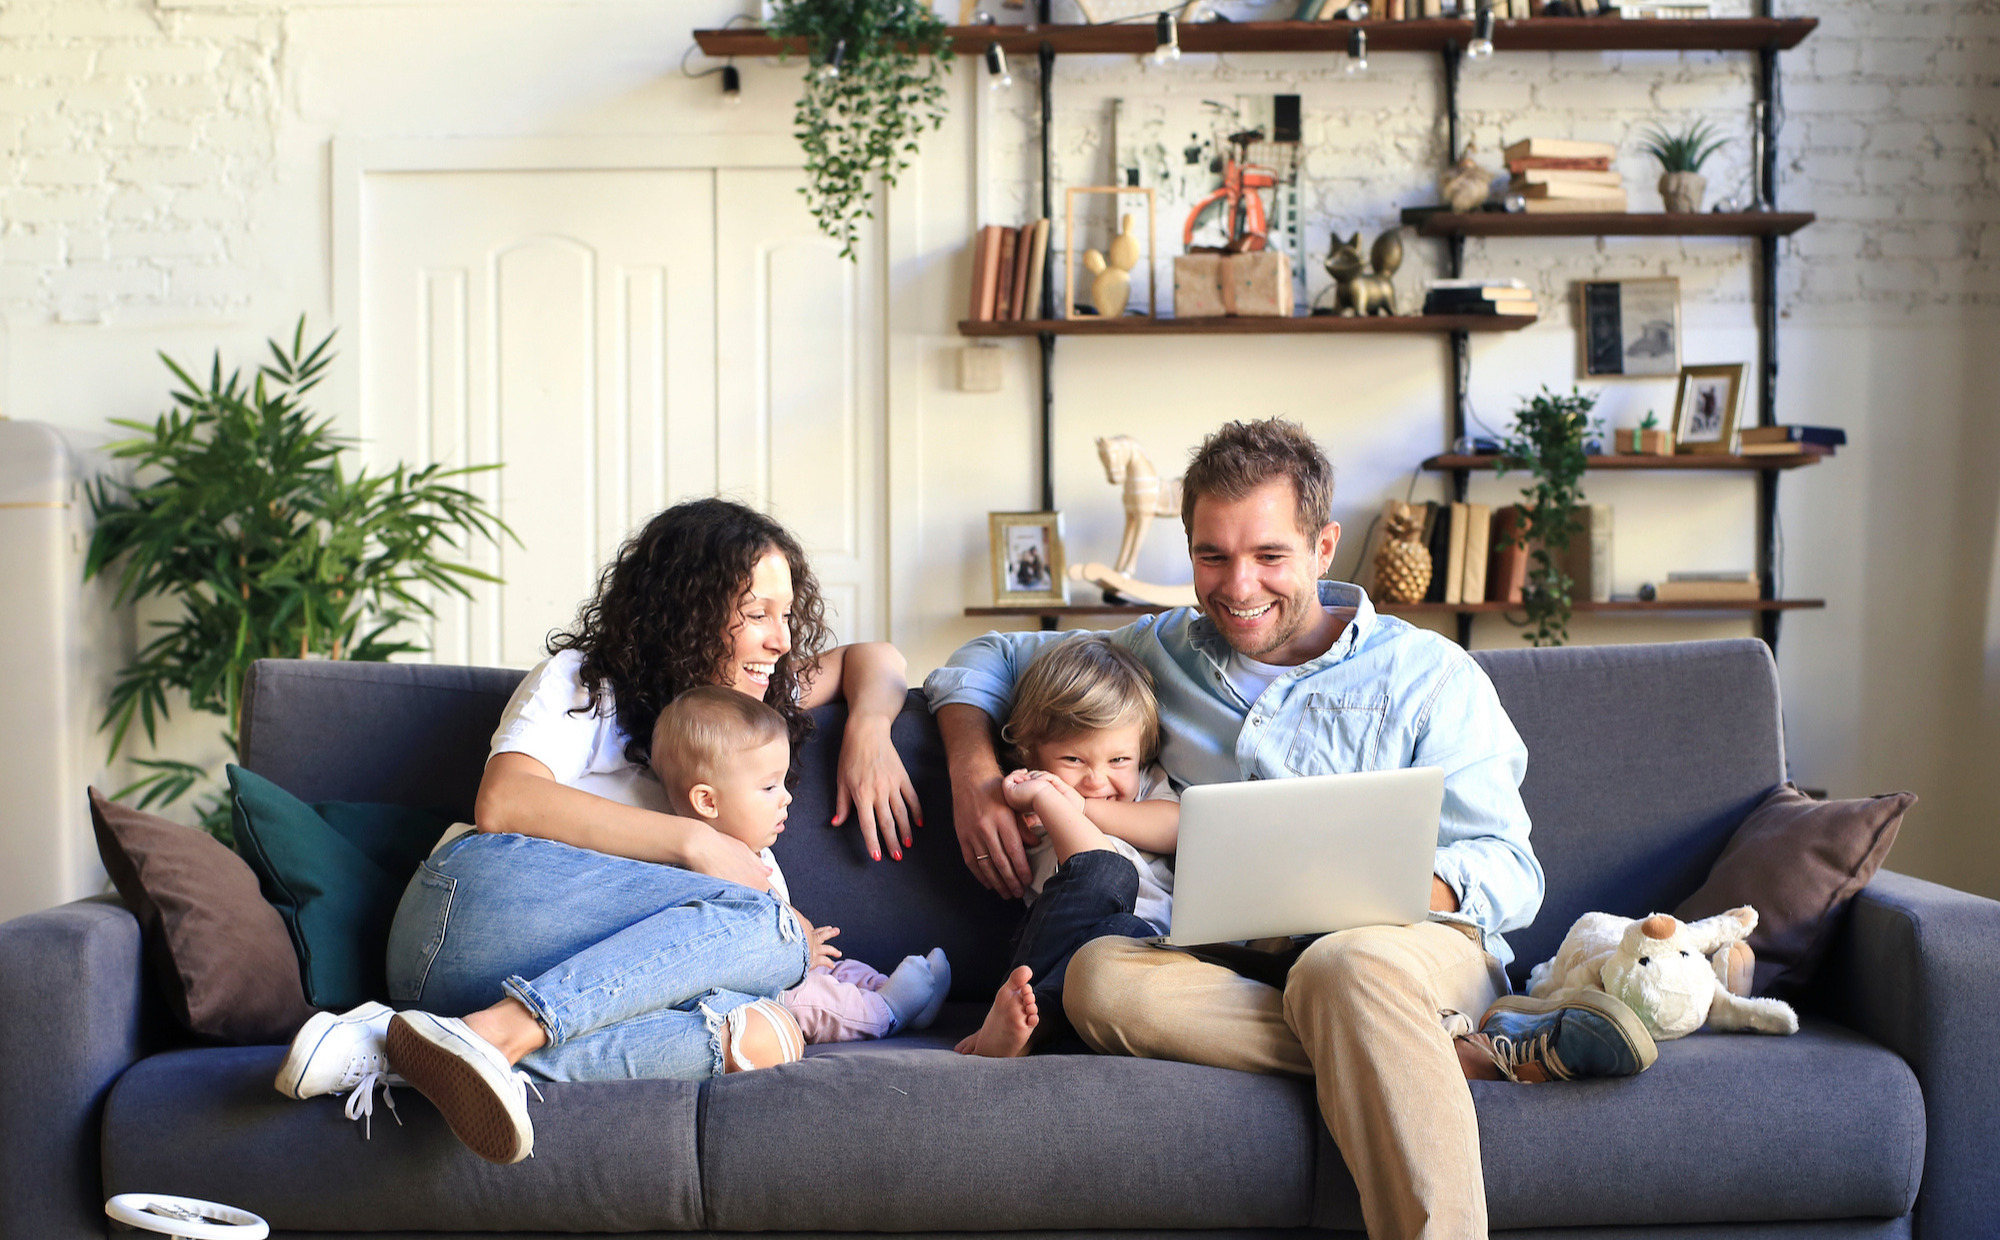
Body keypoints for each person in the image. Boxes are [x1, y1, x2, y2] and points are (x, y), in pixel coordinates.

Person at [924, 420, 1654, 1240]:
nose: (1238, 587)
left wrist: (1383, 884)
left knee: (1343, 965)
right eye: (1212, 556)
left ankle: (1407, 1047)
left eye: (1269, 556)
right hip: (1227, 964)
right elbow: (986, 657)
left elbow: (1511, 870)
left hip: (1404, 950)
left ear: (1323, 547)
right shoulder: (1155, 649)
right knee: (1099, 978)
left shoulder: (1430, 675)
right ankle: (1443, 1053)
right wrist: (974, 774)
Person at [274, 497, 923, 1167]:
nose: (782, 640)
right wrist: (696, 844)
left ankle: (406, 1049)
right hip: (469, 920)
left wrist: (871, 732)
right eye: (757, 615)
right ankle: (497, 1034)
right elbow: (504, 800)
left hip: (556, 989)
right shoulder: (586, 683)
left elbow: (872, 658)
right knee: (774, 926)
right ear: (686, 611)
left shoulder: (748, 704)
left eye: (785, 616)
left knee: (767, 1031)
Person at [651, 686, 951, 1044]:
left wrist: (805, 945)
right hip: (755, 992)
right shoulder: (700, 867)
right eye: (768, 788)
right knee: (812, 1002)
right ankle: (887, 1012)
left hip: (788, 966)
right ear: (707, 801)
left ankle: (904, 997)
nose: (787, 797)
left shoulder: (754, 851)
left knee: (840, 970)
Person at [948, 635, 1179, 1058]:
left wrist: (1079, 804)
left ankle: (1029, 1035)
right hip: (1058, 950)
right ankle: (1016, 1024)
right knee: (1106, 876)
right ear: (1028, 751)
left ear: (1142, 751)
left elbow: (1177, 826)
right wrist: (1049, 800)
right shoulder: (1030, 799)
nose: (1097, 779)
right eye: (1074, 760)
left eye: (1119, 760)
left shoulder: (1145, 785)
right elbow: (1096, 865)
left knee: (1125, 933)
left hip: (1141, 953)